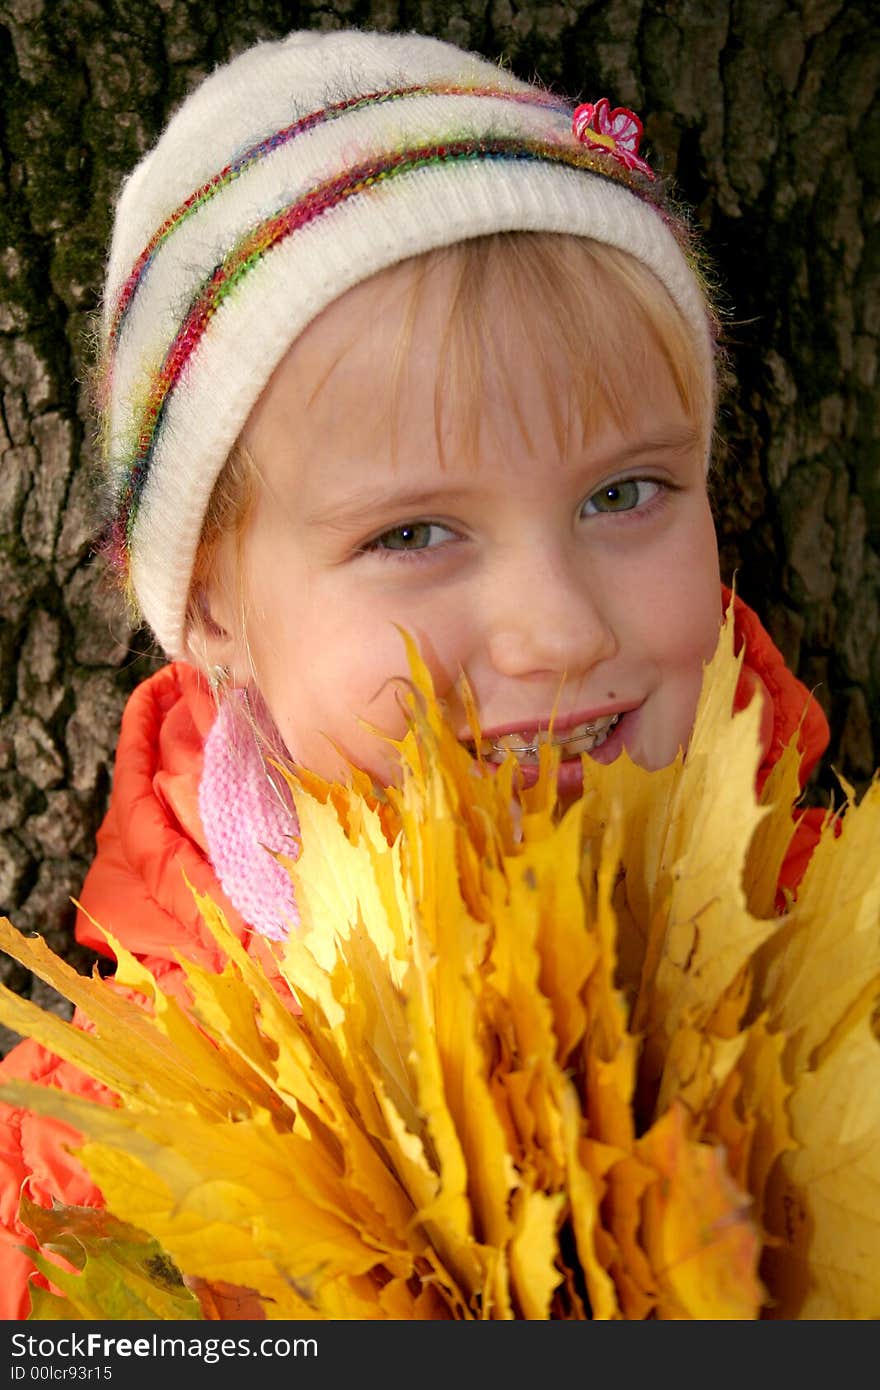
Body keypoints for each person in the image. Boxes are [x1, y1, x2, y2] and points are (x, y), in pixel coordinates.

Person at [0, 26, 829, 1319]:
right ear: (212, 603)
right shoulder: (108, 1153)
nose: (556, 631)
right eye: (412, 534)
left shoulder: (838, 949)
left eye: (624, 492)